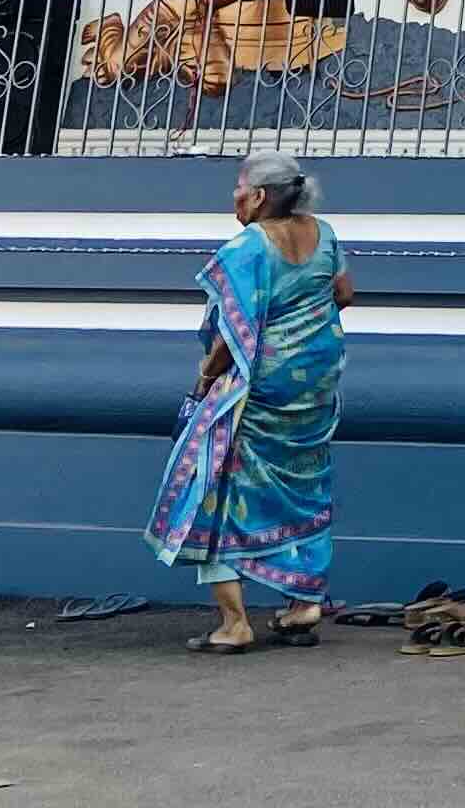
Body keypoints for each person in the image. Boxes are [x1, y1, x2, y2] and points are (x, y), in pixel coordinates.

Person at [146, 151, 350, 651]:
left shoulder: (248, 248)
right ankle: (303, 604)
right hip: (315, 386)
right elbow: (344, 294)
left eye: (238, 189)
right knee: (304, 483)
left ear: (259, 195)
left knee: (213, 482)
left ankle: (234, 623)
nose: (233, 199)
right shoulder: (324, 233)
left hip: (258, 389)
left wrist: (202, 380)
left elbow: (230, 337)